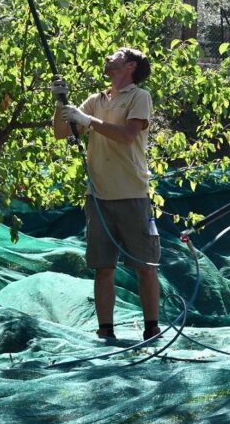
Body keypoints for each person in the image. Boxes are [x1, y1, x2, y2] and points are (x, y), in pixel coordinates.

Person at [51, 47, 161, 342]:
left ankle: (152, 327)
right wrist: (59, 103)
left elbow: (127, 136)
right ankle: (105, 331)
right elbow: (62, 132)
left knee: (145, 266)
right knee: (103, 267)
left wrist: (87, 121)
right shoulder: (97, 100)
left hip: (132, 194)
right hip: (98, 196)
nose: (108, 57)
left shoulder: (140, 97)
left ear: (131, 65)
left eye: (116, 55)